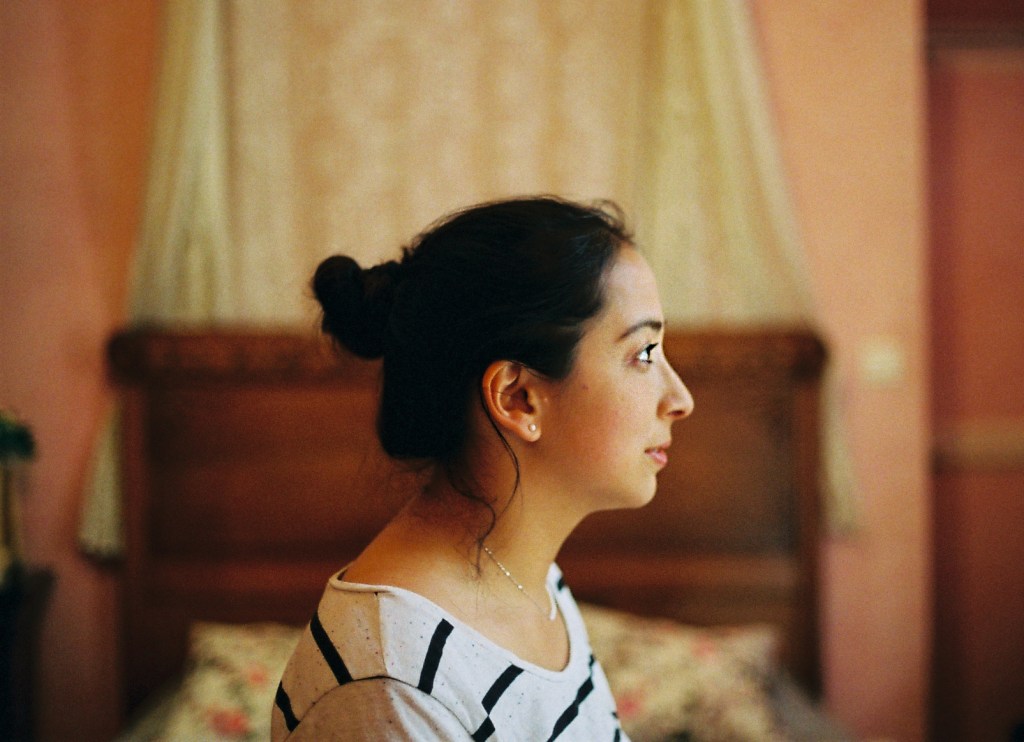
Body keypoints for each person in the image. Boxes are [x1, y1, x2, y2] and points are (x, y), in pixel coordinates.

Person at [271, 196, 693, 741]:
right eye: (643, 353)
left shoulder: (530, 583)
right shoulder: (392, 682)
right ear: (518, 399)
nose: (680, 399)